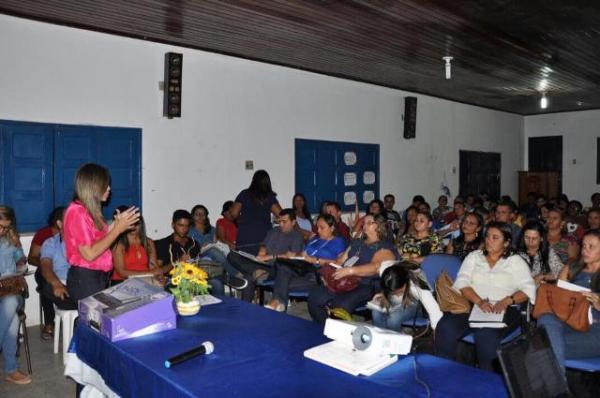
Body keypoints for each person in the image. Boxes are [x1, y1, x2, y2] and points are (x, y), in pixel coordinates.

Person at [435, 222, 536, 372]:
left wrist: (508, 300)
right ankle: (444, 372)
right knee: (445, 326)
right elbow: (462, 282)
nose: (489, 241)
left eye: (495, 238)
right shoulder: (474, 257)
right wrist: (479, 301)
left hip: (504, 308)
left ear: (507, 242)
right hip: (473, 305)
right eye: (487, 236)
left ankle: (488, 381)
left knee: (485, 335)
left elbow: (529, 288)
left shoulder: (515, 261)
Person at [64, 163, 140, 302]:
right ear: (93, 186)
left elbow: (101, 239)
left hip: (98, 276)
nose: (109, 188)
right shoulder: (77, 212)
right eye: (105, 184)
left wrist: (116, 225)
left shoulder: (90, 211)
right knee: (94, 322)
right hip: (85, 279)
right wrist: (117, 229)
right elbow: (89, 254)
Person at [308, 214, 397, 324]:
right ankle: (323, 328)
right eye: (364, 222)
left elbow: (376, 267)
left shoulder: (385, 247)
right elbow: (339, 261)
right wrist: (327, 273)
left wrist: (350, 270)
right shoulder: (356, 243)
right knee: (315, 297)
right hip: (343, 279)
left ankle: (339, 334)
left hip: (365, 284)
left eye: (369, 223)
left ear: (379, 226)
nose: (364, 224)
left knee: (340, 305)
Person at [537, 229, 600, 374]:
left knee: (540, 350)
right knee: (546, 316)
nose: (585, 250)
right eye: (583, 245)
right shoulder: (571, 268)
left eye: (591, 246)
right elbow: (557, 300)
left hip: (595, 331)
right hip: (567, 321)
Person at [265, 214, 347, 311]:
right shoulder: (315, 240)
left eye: (322, 228)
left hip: (318, 275)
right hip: (302, 269)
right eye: (318, 227)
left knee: (281, 282)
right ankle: (278, 303)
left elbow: (339, 263)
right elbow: (303, 255)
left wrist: (316, 260)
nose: (318, 231)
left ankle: (278, 302)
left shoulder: (339, 241)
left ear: (332, 228)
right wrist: (294, 255)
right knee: (283, 269)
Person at [228, 209, 304, 302]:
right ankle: (255, 271)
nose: (281, 224)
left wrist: (269, 257)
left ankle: (252, 272)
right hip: (262, 264)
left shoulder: (296, 236)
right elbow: (264, 244)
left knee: (248, 277)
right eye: (279, 221)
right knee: (232, 255)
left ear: (293, 222)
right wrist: (262, 250)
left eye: (284, 222)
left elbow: (291, 257)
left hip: (277, 268)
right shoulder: (274, 231)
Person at [154, 210, 225, 295]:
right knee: (187, 289)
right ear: (173, 225)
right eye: (180, 225)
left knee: (217, 284)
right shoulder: (163, 243)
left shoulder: (194, 244)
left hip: (195, 279)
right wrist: (179, 261)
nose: (184, 229)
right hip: (174, 281)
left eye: (187, 226)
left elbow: (198, 265)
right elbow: (158, 271)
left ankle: (218, 307)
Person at [0, 206, 30, 385]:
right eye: (0, 226)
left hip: (11, 289)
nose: (2, 231)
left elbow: (22, 261)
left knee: (11, 302)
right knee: (11, 321)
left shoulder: (11, 240)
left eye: (6, 227)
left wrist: (20, 264)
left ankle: (11, 369)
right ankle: (11, 369)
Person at [370, 261, 443, 332]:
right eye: (393, 292)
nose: (397, 294)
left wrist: (439, 333)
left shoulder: (419, 284)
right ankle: (381, 339)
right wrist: (383, 295)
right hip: (399, 300)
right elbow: (387, 287)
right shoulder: (387, 271)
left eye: (398, 291)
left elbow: (434, 311)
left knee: (394, 319)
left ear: (406, 283)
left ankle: (395, 342)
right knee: (375, 312)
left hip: (415, 303)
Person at [29, 207, 64, 339]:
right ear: (58, 221)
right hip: (46, 269)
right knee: (46, 285)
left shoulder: (73, 234)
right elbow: (31, 257)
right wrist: (47, 264)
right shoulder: (44, 234)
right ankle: (49, 323)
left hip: (66, 270)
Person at [230, 170, 282, 255]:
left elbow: (234, 214)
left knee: (245, 266)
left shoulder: (244, 194)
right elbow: (282, 215)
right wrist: (275, 221)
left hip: (245, 238)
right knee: (263, 266)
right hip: (264, 239)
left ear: (253, 181)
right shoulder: (269, 197)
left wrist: (241, 220)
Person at [38, 207, 77, 311]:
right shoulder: (50, 243)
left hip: (81, 284)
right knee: (47, 287)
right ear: (60, 224)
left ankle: (80, 306)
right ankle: (80, 307)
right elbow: (45, 265)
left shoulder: (84, 241)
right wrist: (56, 284)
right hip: (62, 284)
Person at [110, 214, 163, 283]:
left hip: (146, 281)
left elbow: (153, 267)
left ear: (141, 225)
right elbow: (121, 272)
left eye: (136, 224)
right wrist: (148, 273)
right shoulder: (119, 244)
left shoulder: (148, 242)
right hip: (123, 281)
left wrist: (158, 276)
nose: (133, 227)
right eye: (131, 224)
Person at [517, 220, 562, 285]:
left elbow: (561, 272)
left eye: (534, 238)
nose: (530, 241)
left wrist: (543, 276)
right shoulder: (517, 253)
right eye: (527, 237)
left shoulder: (548, 252)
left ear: (541, 238)